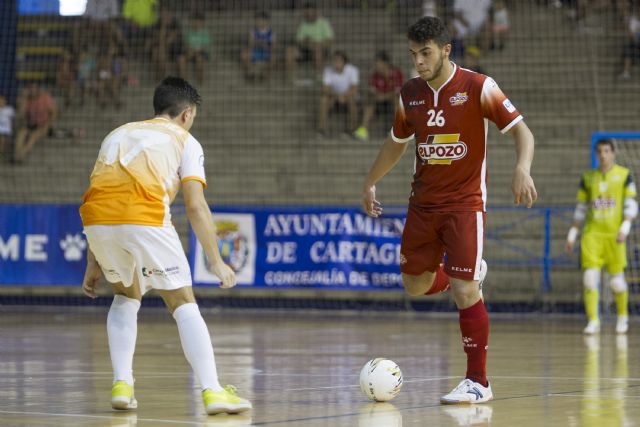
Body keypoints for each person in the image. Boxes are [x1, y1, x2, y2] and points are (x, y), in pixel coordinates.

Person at [361, 16, 536, 404]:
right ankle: (471, 273)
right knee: (414, 284)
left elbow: (523, 131)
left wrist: (521, 168)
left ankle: (479, 382)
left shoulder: (478, 87)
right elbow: (396, 142)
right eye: (413, 55)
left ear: (445, 50)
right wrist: (370, 180)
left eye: (425, 54)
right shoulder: (410, 93)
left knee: (463, 290)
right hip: (422, 206)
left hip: (464, 204)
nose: (418, 62)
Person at [79, 77, 252, 415]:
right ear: (187, 114)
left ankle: (122, 383)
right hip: (144, 219)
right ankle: (213, 391)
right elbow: (195, 206)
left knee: (126, 295)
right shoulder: (185, 140)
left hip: (96, 223)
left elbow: (100, 195)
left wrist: (93, 260)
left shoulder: (116, 134)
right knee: (182, 302)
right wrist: (216, 261)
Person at [565, 139, 637, 335]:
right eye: (600, 152)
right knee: (589, 279)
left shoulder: (624, 175)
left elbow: (631, 205)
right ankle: (593, 320)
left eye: (607, 151)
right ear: (596, 154)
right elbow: (581, 208)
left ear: (613, 153)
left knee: (617, 282)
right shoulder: (588, 177)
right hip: (592, 235)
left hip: (615, 236)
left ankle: (622, 317)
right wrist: (572, 234)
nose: (603, 155)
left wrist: (626, 226)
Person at [354, 51, 404, 141]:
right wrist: (378, 96)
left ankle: (399, 129)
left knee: (397, 99)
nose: (376, 65)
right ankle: (363, 130)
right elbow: (372, 92)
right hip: (378, 103)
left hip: (391, 102)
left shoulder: (396, 73)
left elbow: (398, 92)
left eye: (378, 63)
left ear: (385, 63)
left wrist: (384, 96)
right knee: (370, 101)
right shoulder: (375, 75)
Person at [285, 1, 334, 81]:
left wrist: (318, 44)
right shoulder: (303, 24)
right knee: (290, 51)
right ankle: (292, 78)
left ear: (315, 12)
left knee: (317, 49)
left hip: (321, 49)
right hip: (306, 49)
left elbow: (330, 40)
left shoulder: (324, 23)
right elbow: (298, 41)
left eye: (310, 12)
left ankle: (319, 77)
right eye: (306, 13)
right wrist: (306, 42)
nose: (308, 15)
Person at [317, 51, 359, 136]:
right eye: (334, 60)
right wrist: (337, 96)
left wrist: (344, 96)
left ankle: (352, 129)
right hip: (334, 96)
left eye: (339, 61)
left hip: (348, 96)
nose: (336, 63)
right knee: (323, 100)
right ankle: (321, 129)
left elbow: (354, 89)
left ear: (344, 62)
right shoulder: (328, 70)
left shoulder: (352, 70)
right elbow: (325, 89)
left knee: (352, 100)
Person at [14, 83, 56, 163]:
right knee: (21, 133)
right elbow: (21, 115)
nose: (32, 90)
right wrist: (24, 98)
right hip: (31, 124)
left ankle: (22, 154)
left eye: (34, 88)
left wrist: (50, 124)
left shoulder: (45, 97)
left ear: (38, 89)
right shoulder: (27, 100)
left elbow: (53, 112)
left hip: (44, 124)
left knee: (34, 135)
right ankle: (17, 155)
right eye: (31, 88)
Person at [240, 10, 277, 82]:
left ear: (267, 21)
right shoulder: (253, 31)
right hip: (255, 51)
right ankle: (250, 74)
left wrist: (263, 44)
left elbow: (273, 46)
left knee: (273, 57)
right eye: (258, 20)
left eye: (262, 20)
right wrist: (262, 43)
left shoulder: (271, 32)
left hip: (266, 52)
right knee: (244, 55)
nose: (260, 22)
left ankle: (266, 76)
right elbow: (251, 44)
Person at [179, 14, 212, 85]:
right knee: (181, 59)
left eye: (198, 21)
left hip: (201, 53)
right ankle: (183, 83)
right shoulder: (189, 31)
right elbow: (185, 44)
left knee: (199, 59)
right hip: (190, 52)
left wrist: (195, 51)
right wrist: (189, 50)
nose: (196, 23)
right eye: (194, 21)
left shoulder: (205, 32)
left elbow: (205, 46)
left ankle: (200, 82)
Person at [0, 95, 15, 160]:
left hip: (6, 129)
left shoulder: (9, 109)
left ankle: (1, 153)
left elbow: (14, 119)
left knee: (2, 138)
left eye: (2, 100)